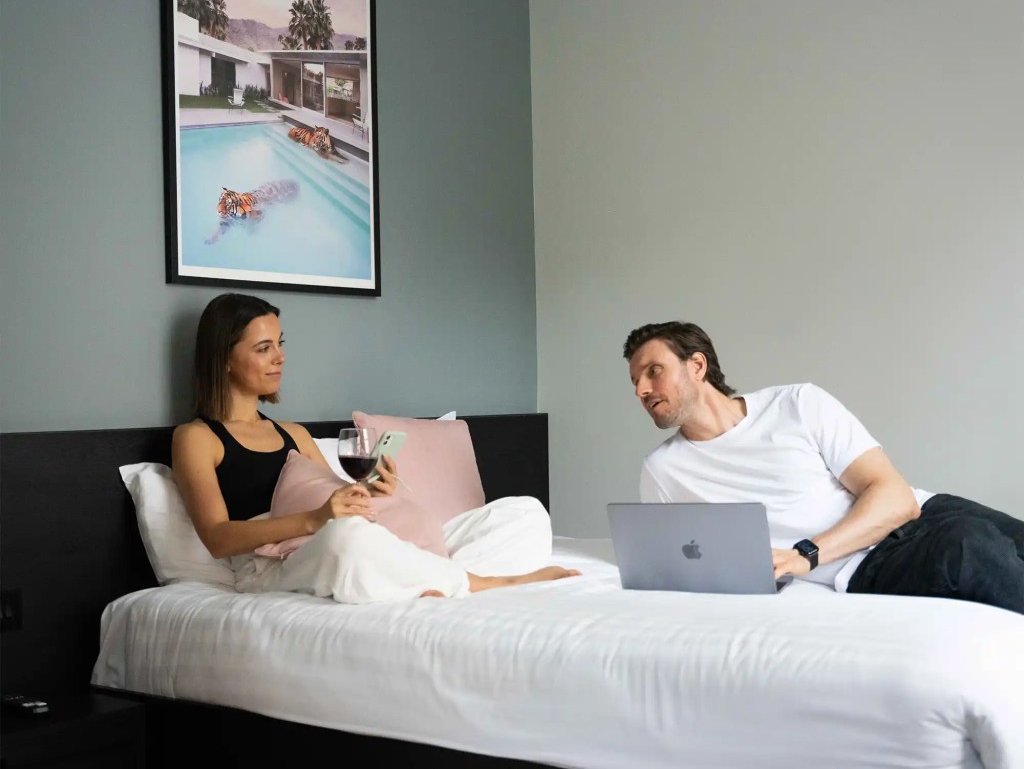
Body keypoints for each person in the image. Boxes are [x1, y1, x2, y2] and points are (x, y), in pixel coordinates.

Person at [172, 293, 579, 604]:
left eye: (280, 343)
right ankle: (478, 581)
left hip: (329, 533)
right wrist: (315, 521)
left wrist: (372, 493)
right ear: (224, 358)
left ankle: (422, 576)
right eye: (264, 349)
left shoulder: (292, 434)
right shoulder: (197, 438)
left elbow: (336, 501)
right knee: (350, 541)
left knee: (523, 513)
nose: (280, 357)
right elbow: (218, 538)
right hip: (270, 563)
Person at [623, 320, 1024, 615]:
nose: (642, 389)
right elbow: (673, 567)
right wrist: (804, 558)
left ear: (696, 366)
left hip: (929, 510)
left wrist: (807, 552)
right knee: (971, 545)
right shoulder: (663, 471)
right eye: (635, 381)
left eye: (653, 371)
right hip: (865, 562)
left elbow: (897, 497)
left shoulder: (797, 403)